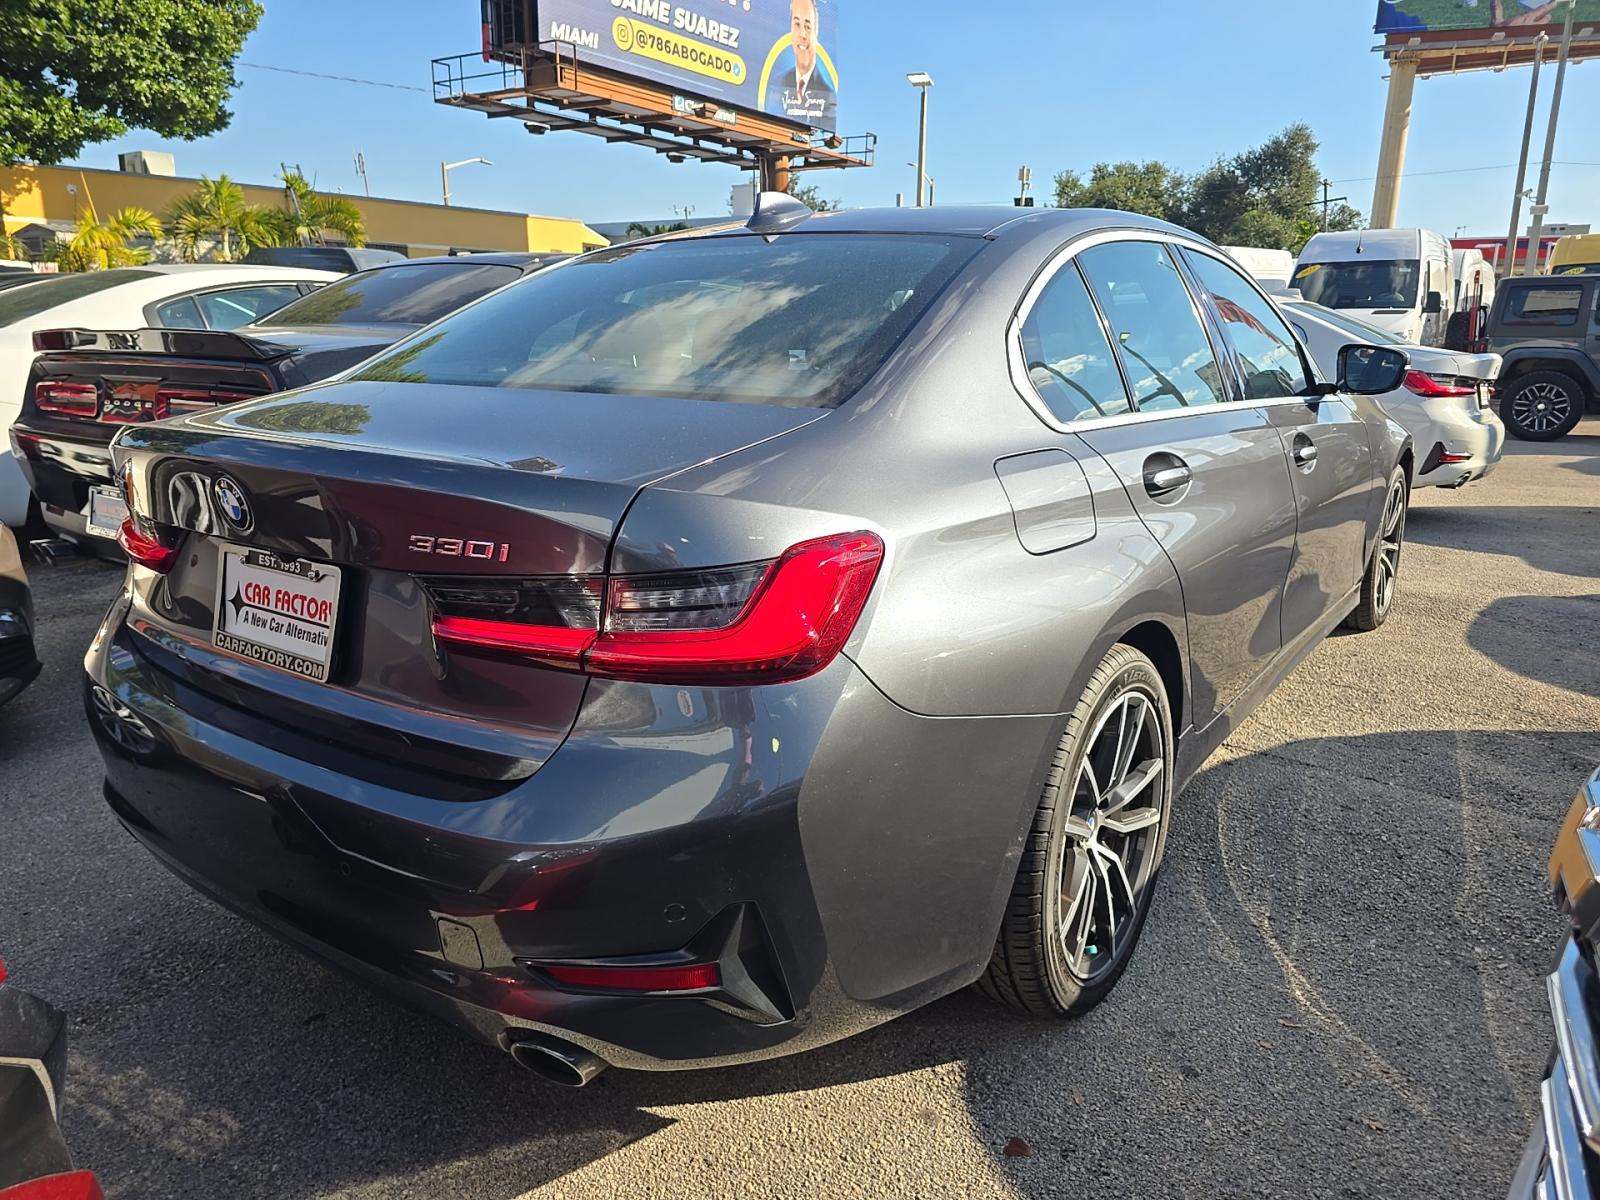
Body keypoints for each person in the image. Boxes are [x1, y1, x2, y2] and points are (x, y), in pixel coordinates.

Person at [768, 0, 836, 129]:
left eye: (808, 27)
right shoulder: (777, 84)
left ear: (816, 32)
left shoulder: (828, 95)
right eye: (797, 24)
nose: (802, 35)